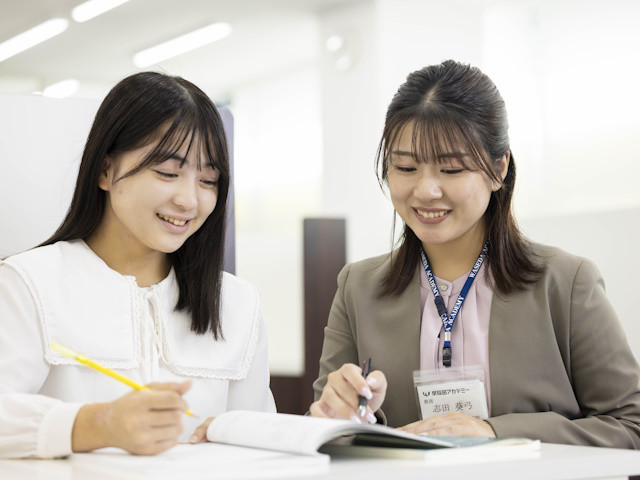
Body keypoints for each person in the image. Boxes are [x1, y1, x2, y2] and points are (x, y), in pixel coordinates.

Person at [310, 60, 640, 448]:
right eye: (406, 166)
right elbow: (322, 433)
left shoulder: (565, 282)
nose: (426, 190)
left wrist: (495, 432)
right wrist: (341, 416)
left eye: (450, 169)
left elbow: (630, 426)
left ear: (498, 169)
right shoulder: (358, 287)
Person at [0, 72, 275, 459]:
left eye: (208, 180)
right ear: (105, 171)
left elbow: (260, 436)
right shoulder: (28, 284)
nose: (189, 200)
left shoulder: (238, 303)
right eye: (167, 173)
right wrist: (100, 424)